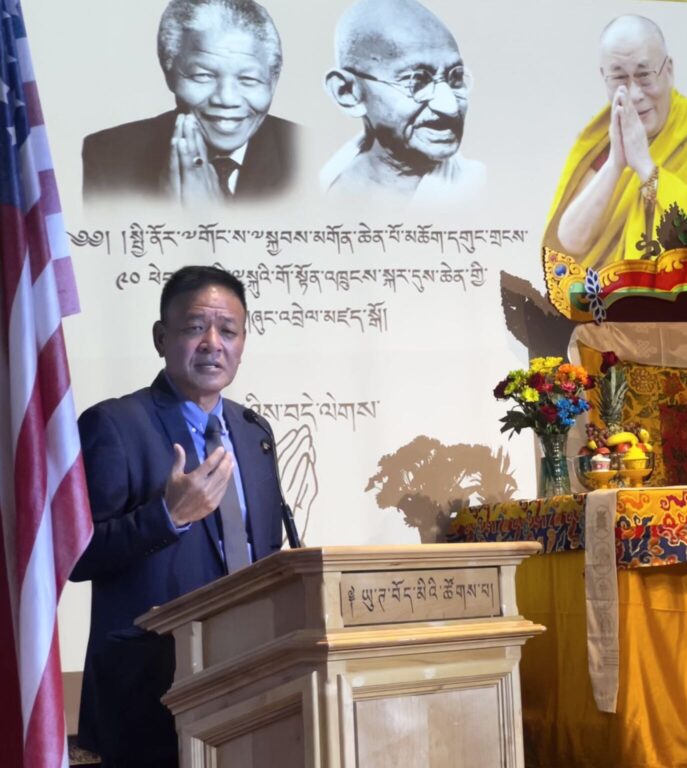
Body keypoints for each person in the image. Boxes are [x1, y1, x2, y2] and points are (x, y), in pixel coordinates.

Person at [70, 266, 285, 767]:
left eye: (228, 330)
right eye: (194, 328)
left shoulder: (253, 431)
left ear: (243, 342)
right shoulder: (114, 425)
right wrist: (167, 517)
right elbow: (77, 556)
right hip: (148, 691)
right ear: (161, 338)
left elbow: (263, 553)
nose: (213, 343)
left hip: (251, 675)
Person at [544, 15, 687, 270]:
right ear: (604, 77)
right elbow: (570, 241)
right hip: (605, 293)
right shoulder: (604, 137)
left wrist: (647, 169)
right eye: (619, 79)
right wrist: (615, 163)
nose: (634, 94)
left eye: (644, 76)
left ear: (668, 71)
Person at [82, 0, 298, 206]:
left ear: (272, 82)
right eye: (203, 76)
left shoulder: (309, 156)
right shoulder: (108, 158)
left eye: (249, 79)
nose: (226, 98)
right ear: (170, 75)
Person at [321, 0, 485, 202]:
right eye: (417, 81)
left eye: (456, 78)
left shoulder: (481, 189)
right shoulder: (321, 185)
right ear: (347, 92)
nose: (449, 107)